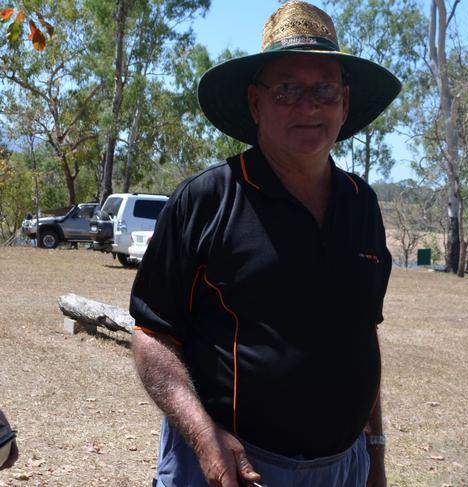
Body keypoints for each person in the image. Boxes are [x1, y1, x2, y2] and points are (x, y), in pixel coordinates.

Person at [129, 2, 401, 487]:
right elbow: (152, 337)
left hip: (343, 468)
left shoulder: (362, 204)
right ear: (256, 104)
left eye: (324, 88)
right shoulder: (206, 200)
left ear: (344, 103)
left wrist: (375, 452)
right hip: (233, 469)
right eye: (287, 88)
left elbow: (363, 334)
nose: (309, 104)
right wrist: (204, 436)